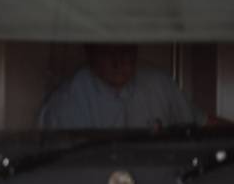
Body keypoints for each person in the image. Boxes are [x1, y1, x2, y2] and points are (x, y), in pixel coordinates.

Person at [39, 44, 216, 131]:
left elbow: (204, 125)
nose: (119, 61)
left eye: (126, 51)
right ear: (91, 52)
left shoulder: (160, 85)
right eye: (109, 52)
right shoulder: (65, 104)